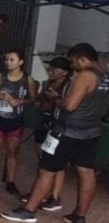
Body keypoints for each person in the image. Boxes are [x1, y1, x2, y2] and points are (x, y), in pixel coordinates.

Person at [1, 43, 108, 223]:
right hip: (91, 131)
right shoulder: (105, 76)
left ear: (81, 58)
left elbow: (70, 106)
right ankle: (79, 215)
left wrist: (55, 98)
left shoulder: (85, 75)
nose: (72, 65)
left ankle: (29, 211)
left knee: (47, 169)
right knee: (86, 171)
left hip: (67, 131)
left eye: (73, 61)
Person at [0, 49, 36, 195]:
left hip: (16, 120)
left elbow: (34, 98)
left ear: (20, 62)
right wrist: (0, 97)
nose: (8, 63)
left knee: (12, 152)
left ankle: (10, 181)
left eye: (12, 60)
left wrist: (20, 101)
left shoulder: (27, 79)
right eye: (7, 60)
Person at [23, 56, 72, 210]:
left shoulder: (68, 87)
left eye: (55, 69)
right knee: (43, 159)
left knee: (56, 163)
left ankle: (54, 197)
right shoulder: (47, 83)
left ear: (64, 72)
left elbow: (67, 106)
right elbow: (39, 101)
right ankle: (40, 192)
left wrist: (54, 98)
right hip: (43, 124)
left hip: (57, 126)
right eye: (50, 68)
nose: (51, 71)